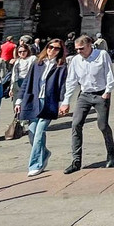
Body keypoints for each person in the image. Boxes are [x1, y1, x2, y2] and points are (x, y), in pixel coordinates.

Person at [60, 34, 114, 173]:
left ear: (90, 45)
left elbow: (109, 73)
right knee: (76, 124)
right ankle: (76, 161)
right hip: (84, 95)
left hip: (101, 94)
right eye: (76, 49)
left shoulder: (102, 55)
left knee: (102, 125)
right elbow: (71, 81)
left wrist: (108, 91)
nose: (79, 51)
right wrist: (66, 101)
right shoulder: (75, 60)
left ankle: (111, 151)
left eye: (81, 48)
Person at [15, 39, 69, 176]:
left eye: (56, 48)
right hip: (34, 100)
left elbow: (63, 85)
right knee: (32, 132)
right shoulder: (37, 63)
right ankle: (44, 153)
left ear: (60, 51)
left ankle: (36, 165)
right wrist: (19, 100)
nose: (52, 50)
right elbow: (27, 81)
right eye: (50, 47)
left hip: (49, 101)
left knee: (39, 133)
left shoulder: (61, 66)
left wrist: (62, 102)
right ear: (46, 48)